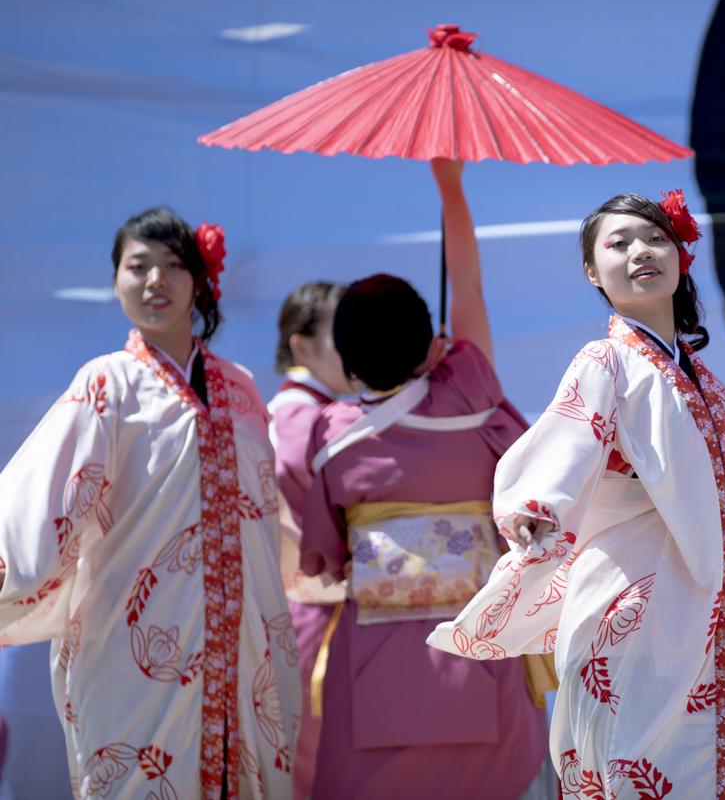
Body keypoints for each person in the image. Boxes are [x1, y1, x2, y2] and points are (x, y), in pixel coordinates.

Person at [428, 189, 725, 799]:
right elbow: (561, 451)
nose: (641, 251)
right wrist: (537, 512)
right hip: (632, 606)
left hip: (704, 613)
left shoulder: (707, 384)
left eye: (656, 238)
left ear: (680, 254)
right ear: (592, 271)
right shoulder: (606, 361)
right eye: (618, 243)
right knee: (634, 766)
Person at [0, 208, 299, 799]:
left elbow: (267, 514)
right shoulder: (105, 384)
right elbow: (41, 500)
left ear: (199, 280)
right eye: (138, 267)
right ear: (116, 281)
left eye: (172, 266)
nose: (155, 281)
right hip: (133, 638)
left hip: (242, 642)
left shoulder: (240, 388)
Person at [299, 159, 550, 799]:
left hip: (372, 669)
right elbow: (466, 285)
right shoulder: (467, 392)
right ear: (429, 343)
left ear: (346, 356)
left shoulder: (328, 437)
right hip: (477, 643)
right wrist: (450, 185)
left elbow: (323, 559)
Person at [268, 281, 361, 800]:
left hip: (303, 611)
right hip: (316, 611)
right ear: (303, 346)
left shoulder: (291, 410)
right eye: (341, 332)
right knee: (317, 765)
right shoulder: (307, 416)